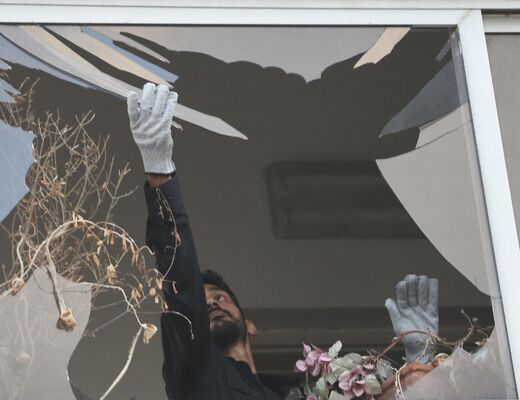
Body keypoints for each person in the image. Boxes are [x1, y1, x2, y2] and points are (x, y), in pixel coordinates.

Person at [126, 82, 439, 400]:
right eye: (204, 301)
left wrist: (420, 361)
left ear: (250, 325)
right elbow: (181, 284)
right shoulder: (196, 375)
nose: (210, 303)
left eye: (220, 297)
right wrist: (160, 176)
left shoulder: (298, 393)